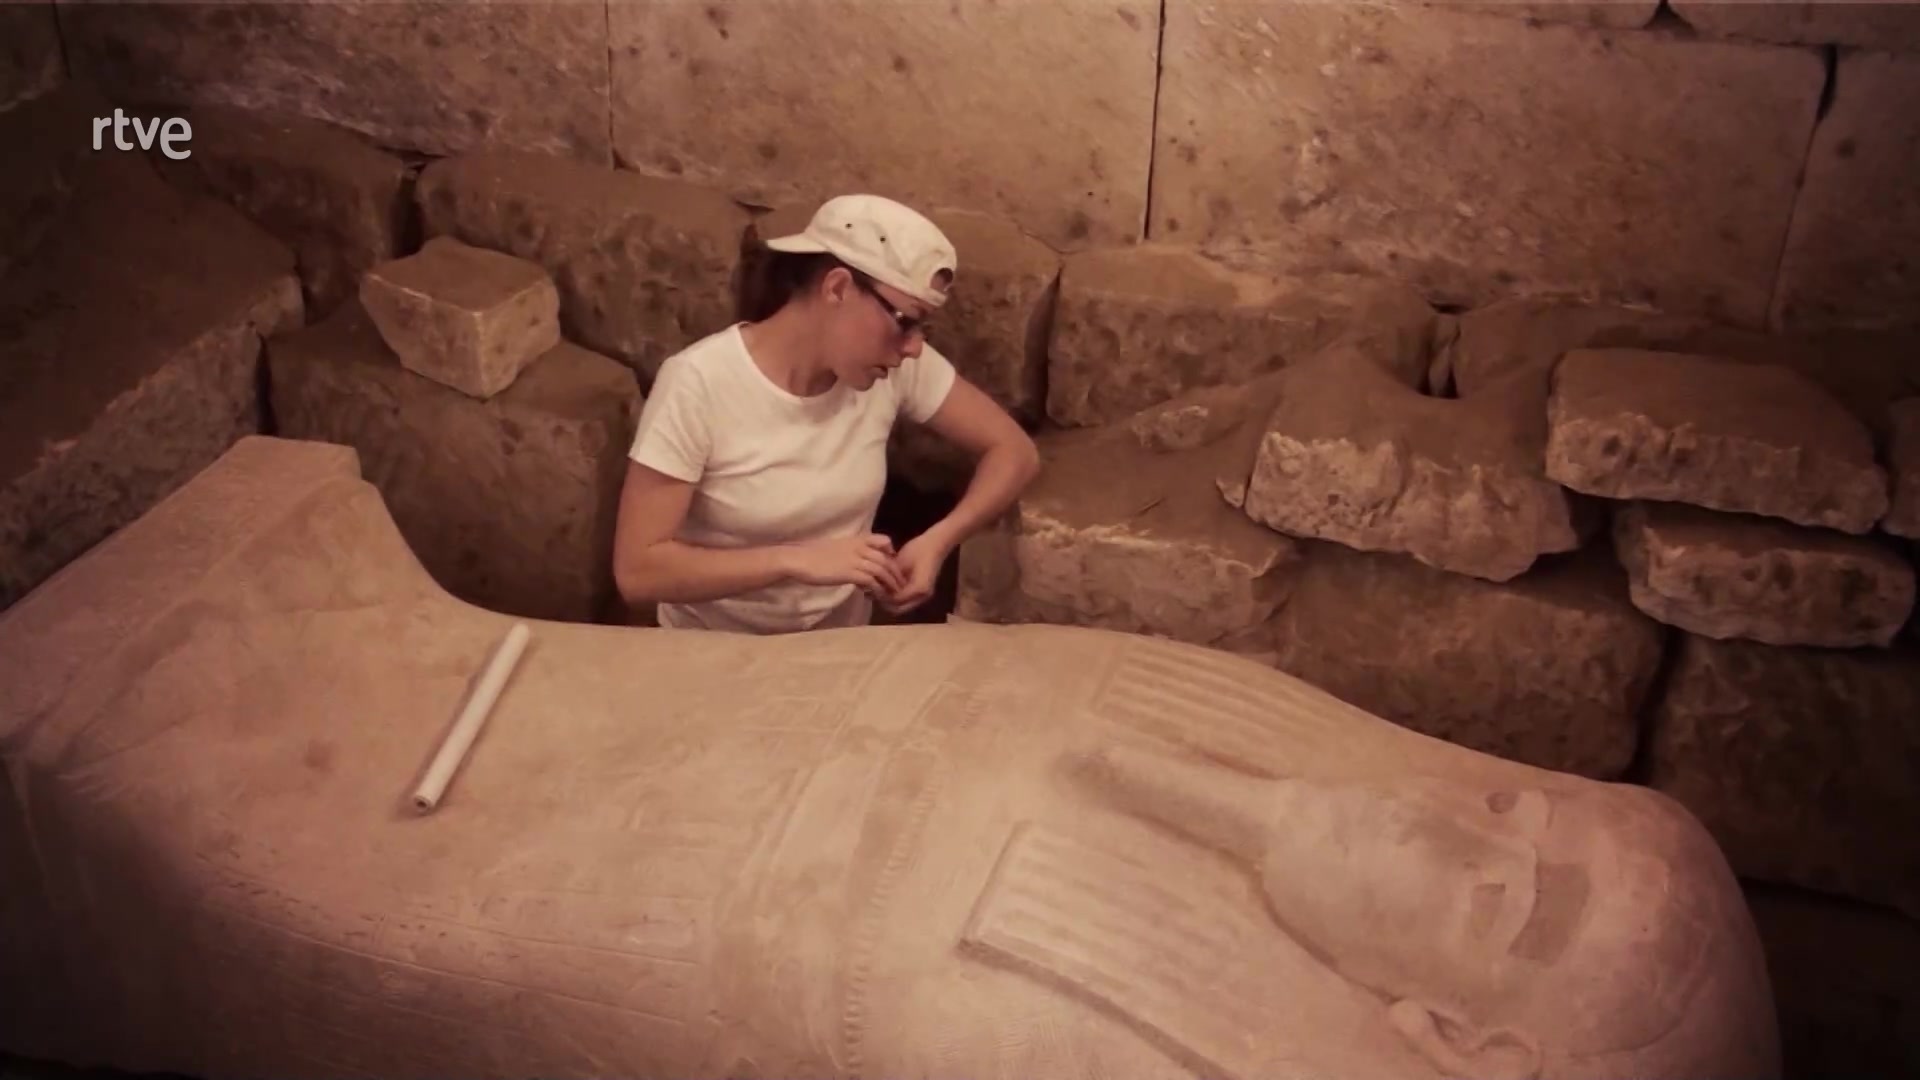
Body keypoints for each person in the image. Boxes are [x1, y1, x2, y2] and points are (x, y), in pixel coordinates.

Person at [611, 193, 1041, 634]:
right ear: (837, 288)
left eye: (922, 328)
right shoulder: (698, 382)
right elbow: (638, 572)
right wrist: (793, 560)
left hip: (838, 643)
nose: (913, 347)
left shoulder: (896, 367)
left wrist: (938, 541)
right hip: (714, 647)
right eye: (905, 320)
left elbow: (1014, 451)